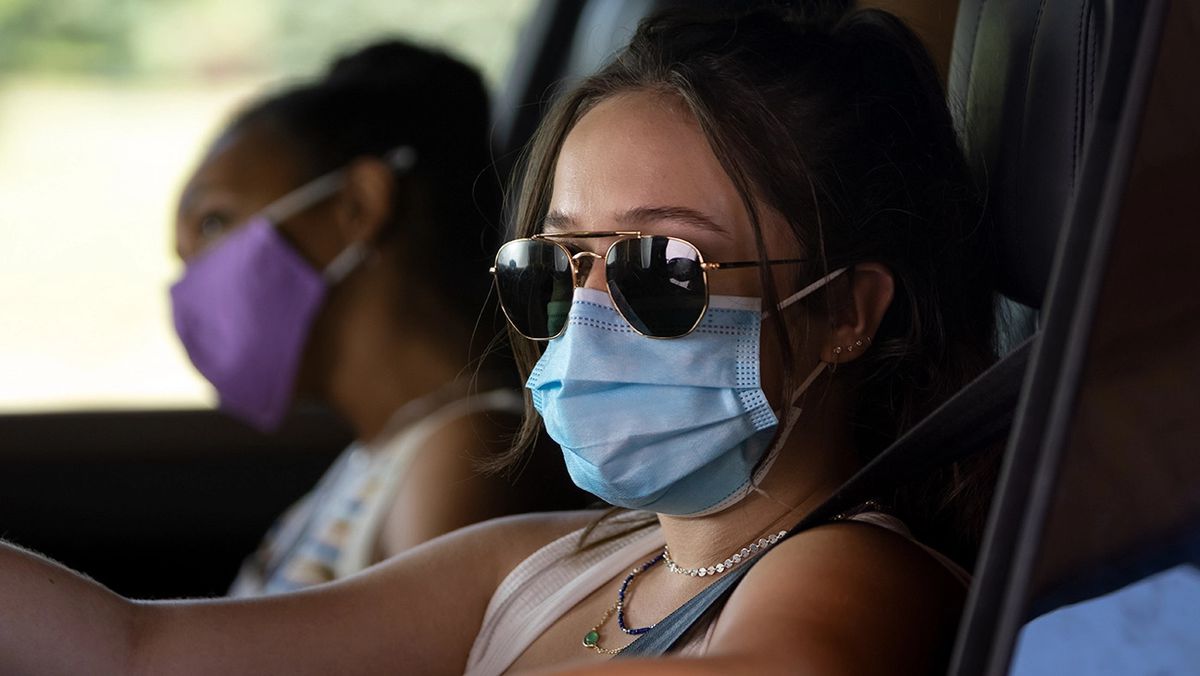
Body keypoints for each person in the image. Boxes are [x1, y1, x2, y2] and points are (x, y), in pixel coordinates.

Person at [0, 6, 998, 674]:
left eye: (662, 266)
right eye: (560, 265)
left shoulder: (854, 575)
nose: (593, 312)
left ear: (844, 312)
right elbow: (136, 649)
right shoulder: (548, 563)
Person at [170, 39, 585, 594]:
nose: (193, 279)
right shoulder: (379, 452)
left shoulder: (461, 456)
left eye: (214, 224)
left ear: (359, 206)